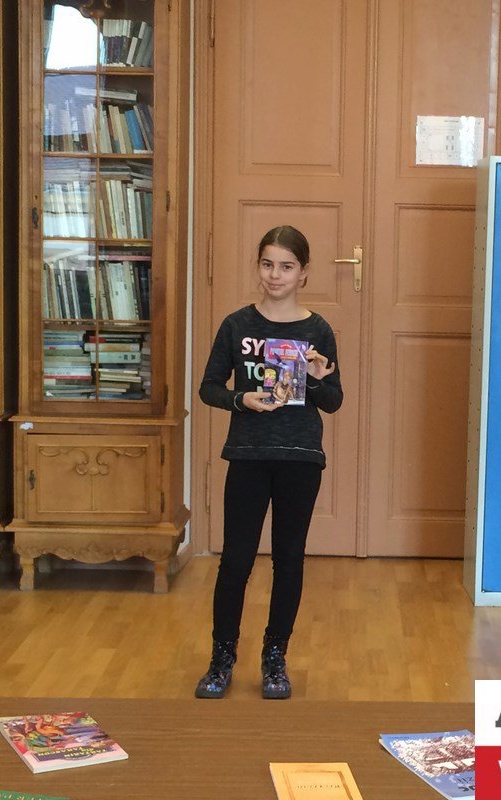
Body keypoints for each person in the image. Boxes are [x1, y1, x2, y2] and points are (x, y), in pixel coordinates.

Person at [195, 225, 342, 699]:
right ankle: (222, 658)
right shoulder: (237, 325)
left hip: (300, 458)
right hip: (248, 454)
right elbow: (209, 388)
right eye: (267, 264)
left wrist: (316, 378)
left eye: (286, 266)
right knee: (235, 560)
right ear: (257, 266)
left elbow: (333, 401)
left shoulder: (318, 330)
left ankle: (275, 657)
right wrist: (241, 400)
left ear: (303, 273)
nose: (275, 275)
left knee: (289, 559)